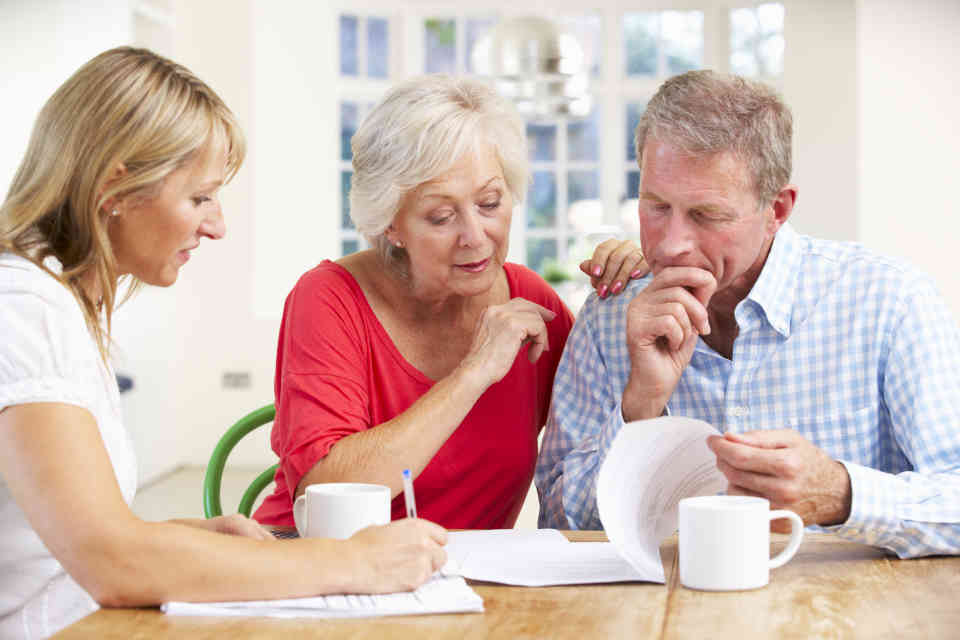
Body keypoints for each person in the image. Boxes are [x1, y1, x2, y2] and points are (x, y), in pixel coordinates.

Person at [0, 47, 446, 639]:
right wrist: (357, 563)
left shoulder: (54, 303)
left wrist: (182, 537)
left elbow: (64, 544)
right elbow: (110, 562)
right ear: (116, 182)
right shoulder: (26, 310)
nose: (217, 225)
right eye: (199, 197)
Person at [535, 70, 960, 559]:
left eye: (706, 215)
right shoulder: (610, 317)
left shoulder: (887, 301)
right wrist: (640, 405)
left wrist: (842, 495)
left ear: (777, 208)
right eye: (656, 206)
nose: (671, 244)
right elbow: (561, 525)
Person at [254, 75, 648, 530]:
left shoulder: (531, 301)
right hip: (321, 562)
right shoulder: (329, 298)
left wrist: (636, 281)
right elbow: (328, 489)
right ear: (390, 225)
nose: (475, 237)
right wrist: (474, 372)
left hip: (468, 582)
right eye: (441, 216)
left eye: (490, 203)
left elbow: (608, 436)